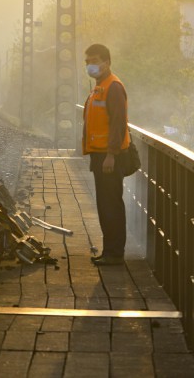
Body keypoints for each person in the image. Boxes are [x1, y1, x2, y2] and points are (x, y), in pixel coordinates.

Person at [83, 43, 130, 266]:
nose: (90, 65)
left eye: (94, 61)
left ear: (106, 62)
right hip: (100, 156)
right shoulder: (99, 87)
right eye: (87, 62)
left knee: (111, 204)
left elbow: (118, 124)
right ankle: (109, 250)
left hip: (109, 157)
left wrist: (111, 154)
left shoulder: (113, 87)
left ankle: (115, 253)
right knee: (105, 204)